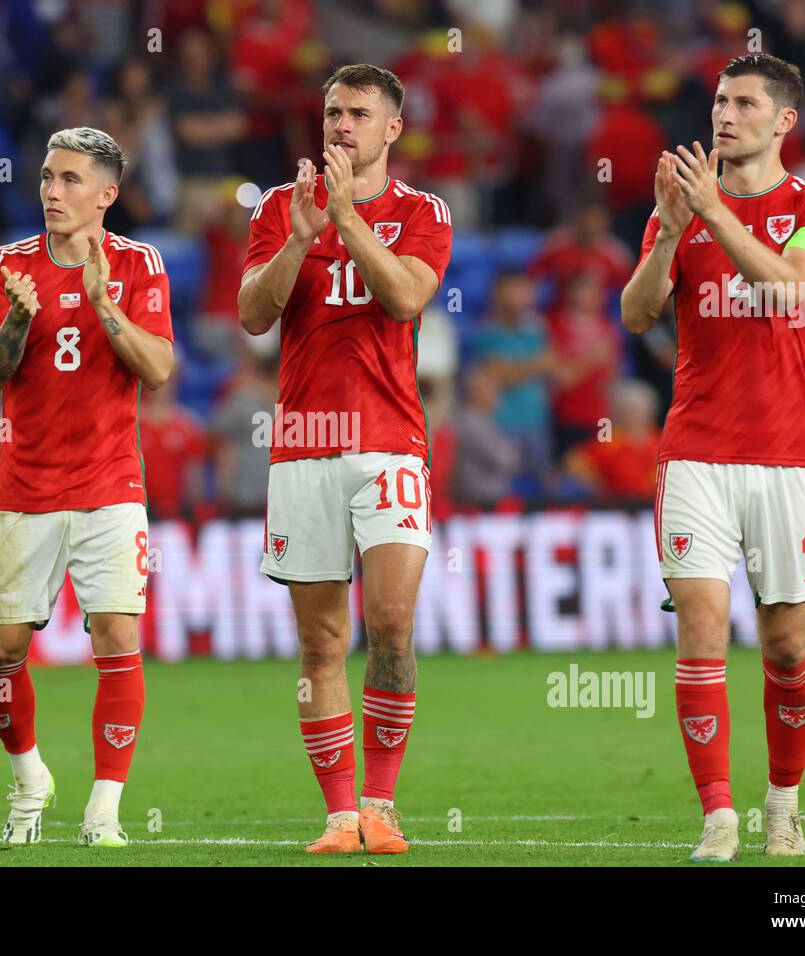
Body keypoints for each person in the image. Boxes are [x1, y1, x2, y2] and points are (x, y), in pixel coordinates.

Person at [621, 54, 805, 861]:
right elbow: (638, 315)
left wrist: (713, 214)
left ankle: (782, 805)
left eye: (745, 103)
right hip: (695, 455)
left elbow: (791, 285)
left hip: (788, 458)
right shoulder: (681, 208)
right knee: (701, 632)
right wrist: (670, 236)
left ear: (784, 120)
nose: (725, 114)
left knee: (787, 646)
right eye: (720, 100)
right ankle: (718, 816)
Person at [238, 64, 451, 854]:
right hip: (301, 449)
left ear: (392, 128)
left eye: (359, 114)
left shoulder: (423, 211)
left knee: (390, 626)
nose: (341, 126)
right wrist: (300, 234)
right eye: (332, 112)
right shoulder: (275, 209)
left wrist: (345, 220)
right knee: (321, 643)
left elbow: (405, 297)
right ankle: (337, 816)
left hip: (390, 440)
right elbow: (254, 316)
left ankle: (381, 805)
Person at [0, 127, 174, 848]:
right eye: (47, 177)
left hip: (111, 482)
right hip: (25, 485)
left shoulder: (139, 264)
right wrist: (19, 321)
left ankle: (104, 811)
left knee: (118, 634)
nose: (51, 192)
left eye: (69, 180)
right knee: (1, 651)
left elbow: (157, 370)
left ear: (106, 195)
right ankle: (30, 780)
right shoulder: (6, 265)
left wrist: (103, 304)